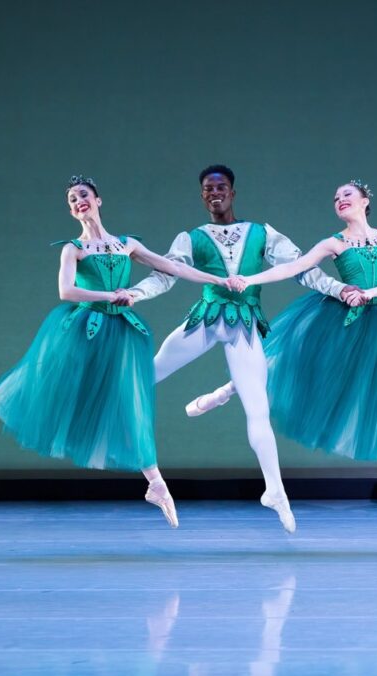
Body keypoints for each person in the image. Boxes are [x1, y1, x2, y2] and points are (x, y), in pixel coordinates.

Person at [0, 175, 230, 527]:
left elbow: (173, 267)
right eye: (71, 199)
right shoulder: (72, 249)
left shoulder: (126, 244)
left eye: (83, 195)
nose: (77, 201)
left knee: (127, 402)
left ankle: (156, 483)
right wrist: (110, 295)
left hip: (121, 334)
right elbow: (66, 291)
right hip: (82, 326)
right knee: (39, 375)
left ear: (98, 200)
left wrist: (219, 281)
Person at [121, 165, 364, 533]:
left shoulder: (261, 233)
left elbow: (302, 268)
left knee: (258, 408)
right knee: (145, 376)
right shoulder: (193, 237)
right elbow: (165, 274)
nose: (214, 192)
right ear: (202, 196)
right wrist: (135, 294)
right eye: (207, 188)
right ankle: (146, 469)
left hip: (245, 327)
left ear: (233, 192)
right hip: (204, 320)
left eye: (220, 186)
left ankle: (276, 490)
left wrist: (338, 288)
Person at [198, 180, 377, 511]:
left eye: (347, 194)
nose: (340, 200)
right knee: (290, 360)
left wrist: (369, 294)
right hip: (337, 318)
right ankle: (227, 390)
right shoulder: (334, 243)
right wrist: (251, 279)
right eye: (335, 198)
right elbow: (293, 267)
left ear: (365, 200)